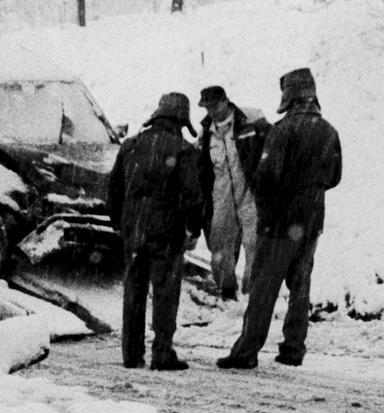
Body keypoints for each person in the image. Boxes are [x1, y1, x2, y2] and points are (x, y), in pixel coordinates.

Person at [218, 68, 342, 369]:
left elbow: (266, 177)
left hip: (280, 223)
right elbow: (335, 177)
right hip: (311, 222)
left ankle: (247, 351)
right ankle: (294, 348)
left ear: (289, 96)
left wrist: (270, 206)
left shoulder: (283, 130)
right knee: (300, 287)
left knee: (264, 287)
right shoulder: (329, 131)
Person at [106, 92, 205, 371]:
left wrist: (119, 222)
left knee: (134, 290)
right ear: (181, 120)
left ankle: (131, 353)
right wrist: (192, 229)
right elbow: (192, 196)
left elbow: (113, 188)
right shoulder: (184, 150)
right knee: (165, 292)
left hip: (134, 230)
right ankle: (162, 354)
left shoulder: (131, 145)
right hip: (166, 232)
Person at [195, 85, 269, 302]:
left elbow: (273, 146)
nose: (211, 111)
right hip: (221, 193)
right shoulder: (206, 130)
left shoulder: (252, 119)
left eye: (215, 105)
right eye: (207, 107)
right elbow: (201, 164)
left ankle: (253, 292)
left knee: (254, 241)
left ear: (226, 101)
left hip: (250, 191)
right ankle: (227, 291)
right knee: (219, 243)